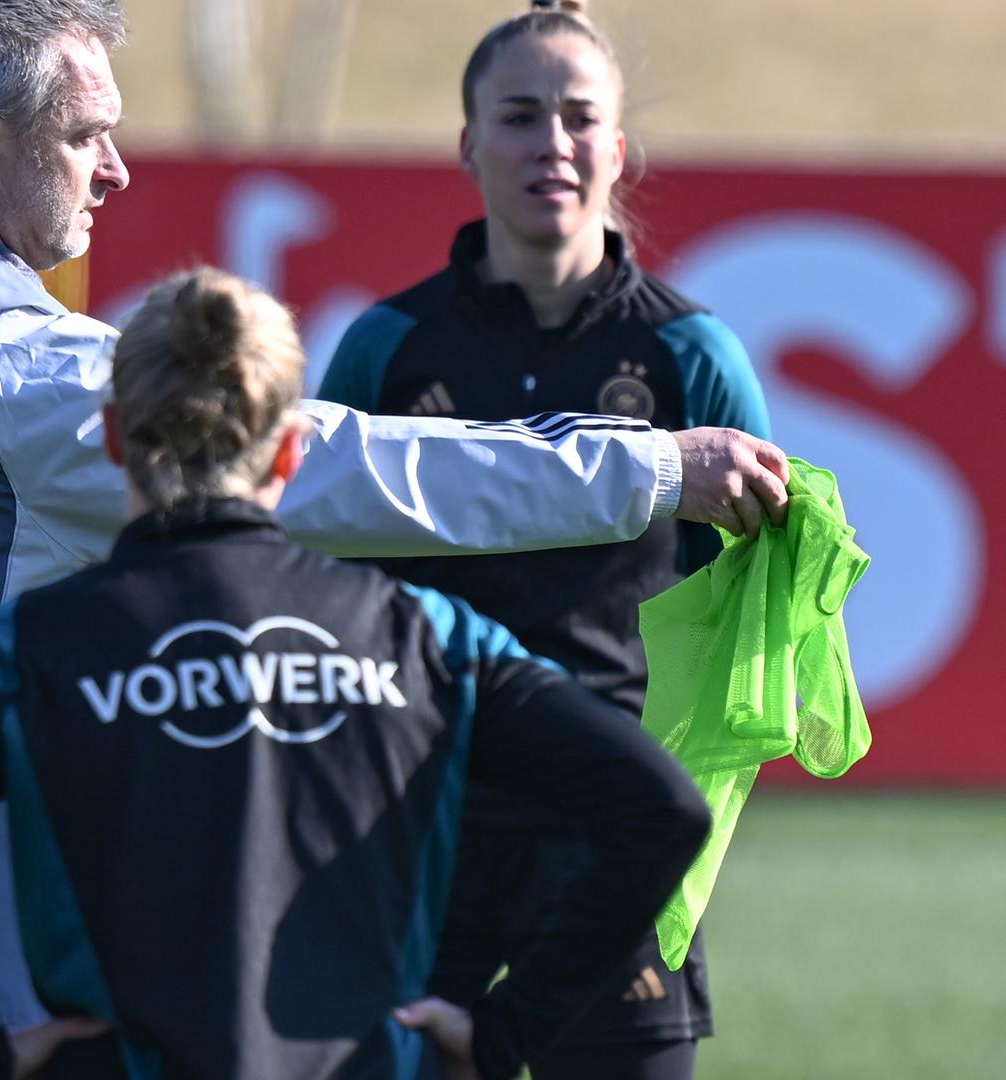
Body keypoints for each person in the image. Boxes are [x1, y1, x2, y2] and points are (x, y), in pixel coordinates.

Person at [0, 0, 784, 1070]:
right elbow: (358, 466)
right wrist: (646, 466)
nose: (115, 169)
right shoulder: (14, 379)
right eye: (87, 136)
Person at [0, 266, 713, 1080]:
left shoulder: (9, 650)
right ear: (291, 449)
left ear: (114, 438)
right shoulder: (430, 637)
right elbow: (662, 808)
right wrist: (503, 1034)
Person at [317, 4, 767, 1075]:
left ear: (618, 148)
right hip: (420, 827)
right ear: (468, 144)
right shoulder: (387, 351)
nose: (551, 145)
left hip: (613, 832)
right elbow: (313, 570)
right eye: (519, 117)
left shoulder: (692, 357)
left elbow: (747, 601)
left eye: (579, 118)